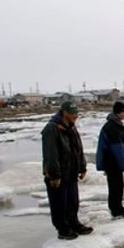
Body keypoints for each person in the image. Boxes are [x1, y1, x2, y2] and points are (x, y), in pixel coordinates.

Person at [41, 101, 93, 240]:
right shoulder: (51, 129)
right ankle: (63, 229)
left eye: (76, 114)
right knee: (59, 204)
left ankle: (74, 223)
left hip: (71, 172)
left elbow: (78, 149)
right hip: (58, 175)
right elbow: (51, 155)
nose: (75, 117)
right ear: (64, 113)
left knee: (72, 202)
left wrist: (82, 167)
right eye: (72, 114)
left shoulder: (71, 127)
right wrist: (54, 175)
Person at [96, 101, 124, 219]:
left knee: (118, 186)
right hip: (112, 162)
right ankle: (116, 211)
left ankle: (118, 209)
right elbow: (117, 148)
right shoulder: (112, 127)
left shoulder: (116, 124)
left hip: (114, 162)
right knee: (115, 187)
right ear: (119, 112)